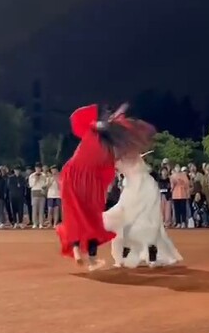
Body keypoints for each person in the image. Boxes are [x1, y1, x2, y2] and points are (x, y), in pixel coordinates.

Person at [57, 103, 153, 271]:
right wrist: (116, 117)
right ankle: (90, 259)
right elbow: (105, 130)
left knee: (78, 215)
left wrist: (114, 117)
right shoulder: (104, 139)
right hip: (85, 179)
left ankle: (78, 251)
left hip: (78, 177)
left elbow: (100, 126)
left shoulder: (98, 135)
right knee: (91, 218)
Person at [104, 152, 183, 268]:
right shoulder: (128, 179)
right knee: (127, 234)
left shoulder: (147, 179)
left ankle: (152, 259)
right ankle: (124, 259)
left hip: (145, 212)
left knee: (151, 235)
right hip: (131, 212)